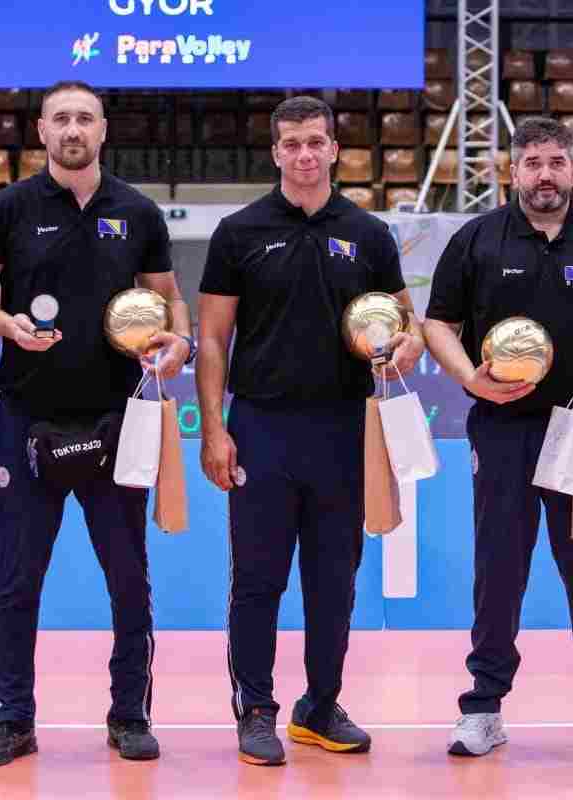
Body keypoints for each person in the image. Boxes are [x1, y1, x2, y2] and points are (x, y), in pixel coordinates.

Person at [0, 80, 192, 767]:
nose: (73, 129)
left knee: (129, 579)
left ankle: (129, 714)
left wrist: (177, 342)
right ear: (42, 130)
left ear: (103, 130)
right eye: (61, 118)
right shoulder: (8, 208)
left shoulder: (136, 211)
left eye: (84, 117)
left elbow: (170, 301)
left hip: (119, 420)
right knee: (17, 581)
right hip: (27, 420)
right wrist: (6, 325)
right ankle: (13, 718)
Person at [196, 95, 425, 766]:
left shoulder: (369, 233)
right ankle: (255, 710)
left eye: (315, 142)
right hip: (261, 428)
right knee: (258, 580)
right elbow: (212, 340)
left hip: (343, 429)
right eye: (292, 143)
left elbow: (404, 321)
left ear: (334, 150)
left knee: (334, 582)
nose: (304, 154)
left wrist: (407, 346)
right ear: (275, 152)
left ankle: (320, 706)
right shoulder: (238, 232)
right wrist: (213, 430)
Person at [422, 116, 573, 759]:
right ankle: (483, 707)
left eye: (556, 162)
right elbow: (437, 323)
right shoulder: (476, 240)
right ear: (513, 171)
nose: (545, 174)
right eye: (532, 163)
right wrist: (469, 376)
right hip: (502, 427)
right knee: (499, 566)